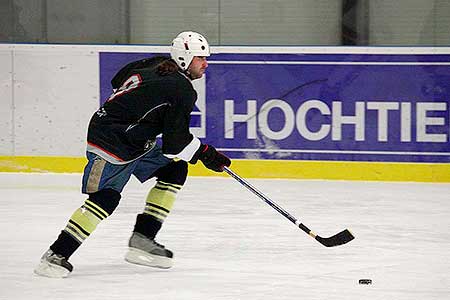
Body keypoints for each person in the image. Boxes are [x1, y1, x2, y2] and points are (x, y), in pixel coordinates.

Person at [34, 31, 231, 278]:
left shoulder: (156, 63)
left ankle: (143, 239)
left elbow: (118, 79)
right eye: (200, 58)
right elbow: (174, 144)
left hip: (135, 139)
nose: (206, 64)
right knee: (106, 198)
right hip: (110, 140)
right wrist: (205, 153)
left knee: (174, 170)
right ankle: (55, 255)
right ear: (185, 59)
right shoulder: (182, 89)